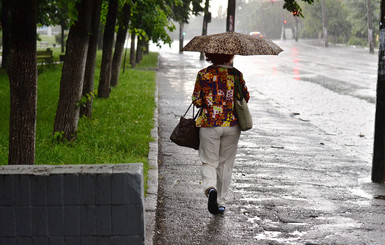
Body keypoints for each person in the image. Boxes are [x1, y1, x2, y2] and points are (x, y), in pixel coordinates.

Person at [192, 53, 249, 215]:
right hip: (232, 125)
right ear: (230, 56)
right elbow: (245, 97)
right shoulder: (237, 75)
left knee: (209, 162)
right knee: (225, 164)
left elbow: (196, 100)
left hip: (209, 124)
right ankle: (221, 202)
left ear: (210, 56)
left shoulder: (203, 74)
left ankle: (211, 188)